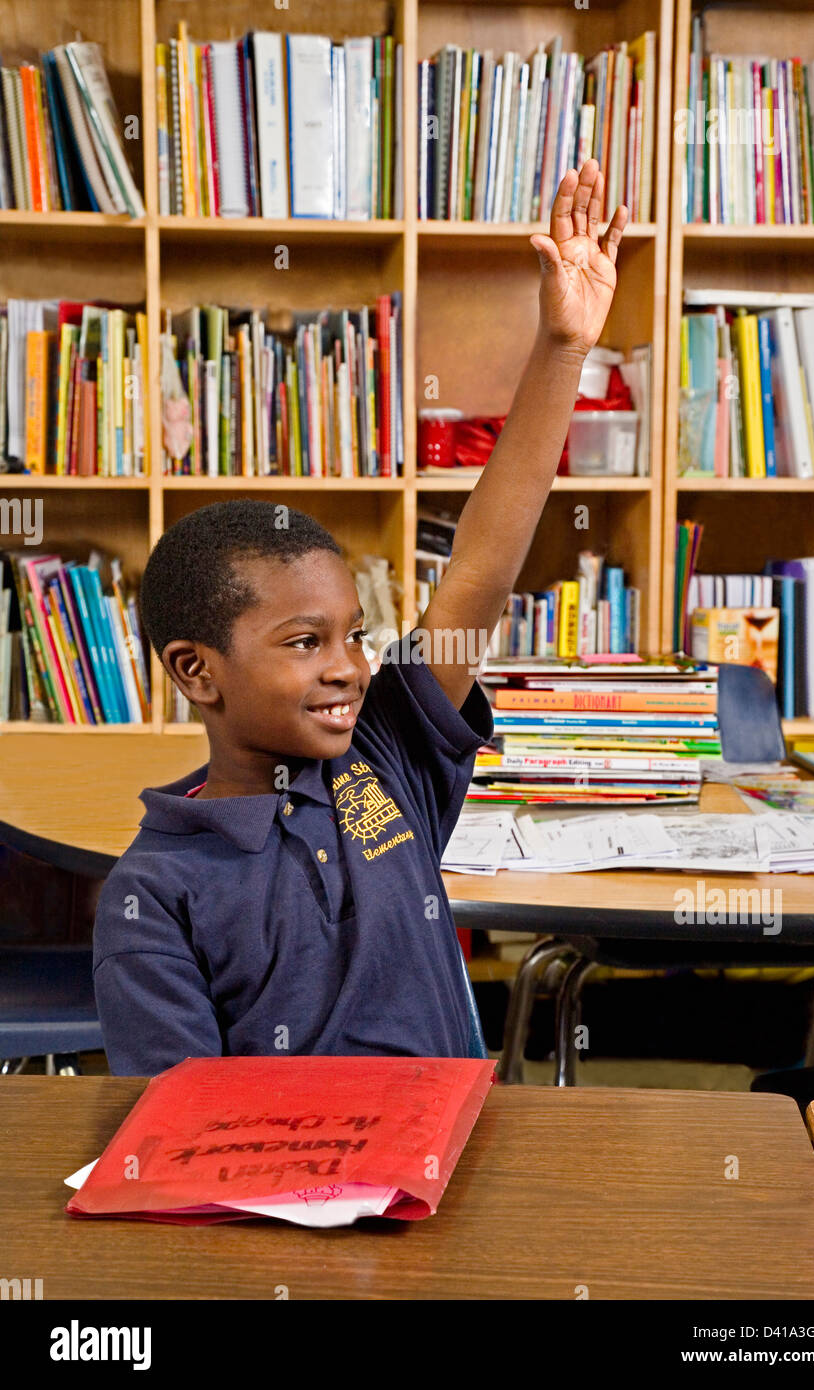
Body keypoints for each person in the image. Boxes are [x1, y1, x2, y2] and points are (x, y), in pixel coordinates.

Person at [93, 162, 628, 1074]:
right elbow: (180, 1128)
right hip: (282, 1198)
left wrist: (564, 348)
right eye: (305, 644)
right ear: (196, 670)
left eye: (352, 635)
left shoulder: (385, 755)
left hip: (444, 1177)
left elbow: (480, 571)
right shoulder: (152, 893)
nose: (346, 667)